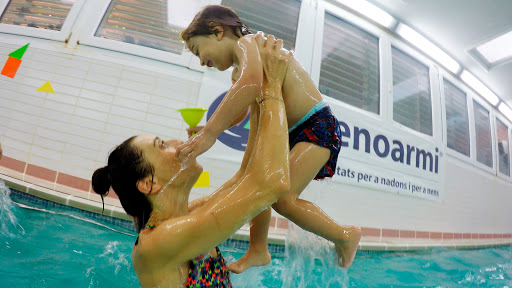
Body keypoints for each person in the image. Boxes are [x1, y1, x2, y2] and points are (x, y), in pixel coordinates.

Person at [91, 38, 292, 288]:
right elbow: (272, 182)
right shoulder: (158, 243)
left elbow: (248, 176)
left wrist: (258, 94)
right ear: (148, 183)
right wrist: (272, 87)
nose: (178, 141)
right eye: (162, 145)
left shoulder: (191, 215)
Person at [177, 5, 361, 273]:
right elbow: (240, 109)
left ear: (217, 32)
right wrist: (208, 127)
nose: (201, 61)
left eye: (197, 51)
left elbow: (250, 84)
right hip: (291, 131)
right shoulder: (240, 68)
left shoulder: (248, 43)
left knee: (283, 199)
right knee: (259, 179)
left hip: (316, 124)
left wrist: (210, 133)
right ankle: (258, 249)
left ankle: (345, 235)